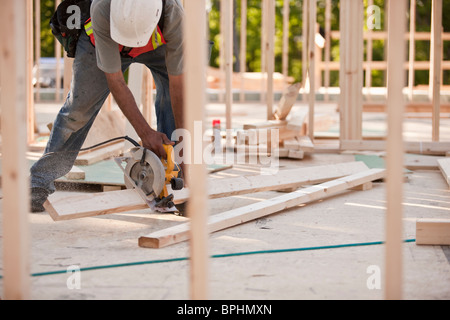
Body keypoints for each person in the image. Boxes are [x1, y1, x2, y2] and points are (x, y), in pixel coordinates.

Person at [30, 0, 185, 213]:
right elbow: (116, 81)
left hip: (157, 43)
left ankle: (175, 174)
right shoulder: (102, 7)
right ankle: (39, 181)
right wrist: (145, 132)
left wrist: (184, 145)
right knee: (78, 110)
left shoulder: (172, 13)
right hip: (103, 40)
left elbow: (178, 86)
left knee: (179, 94)